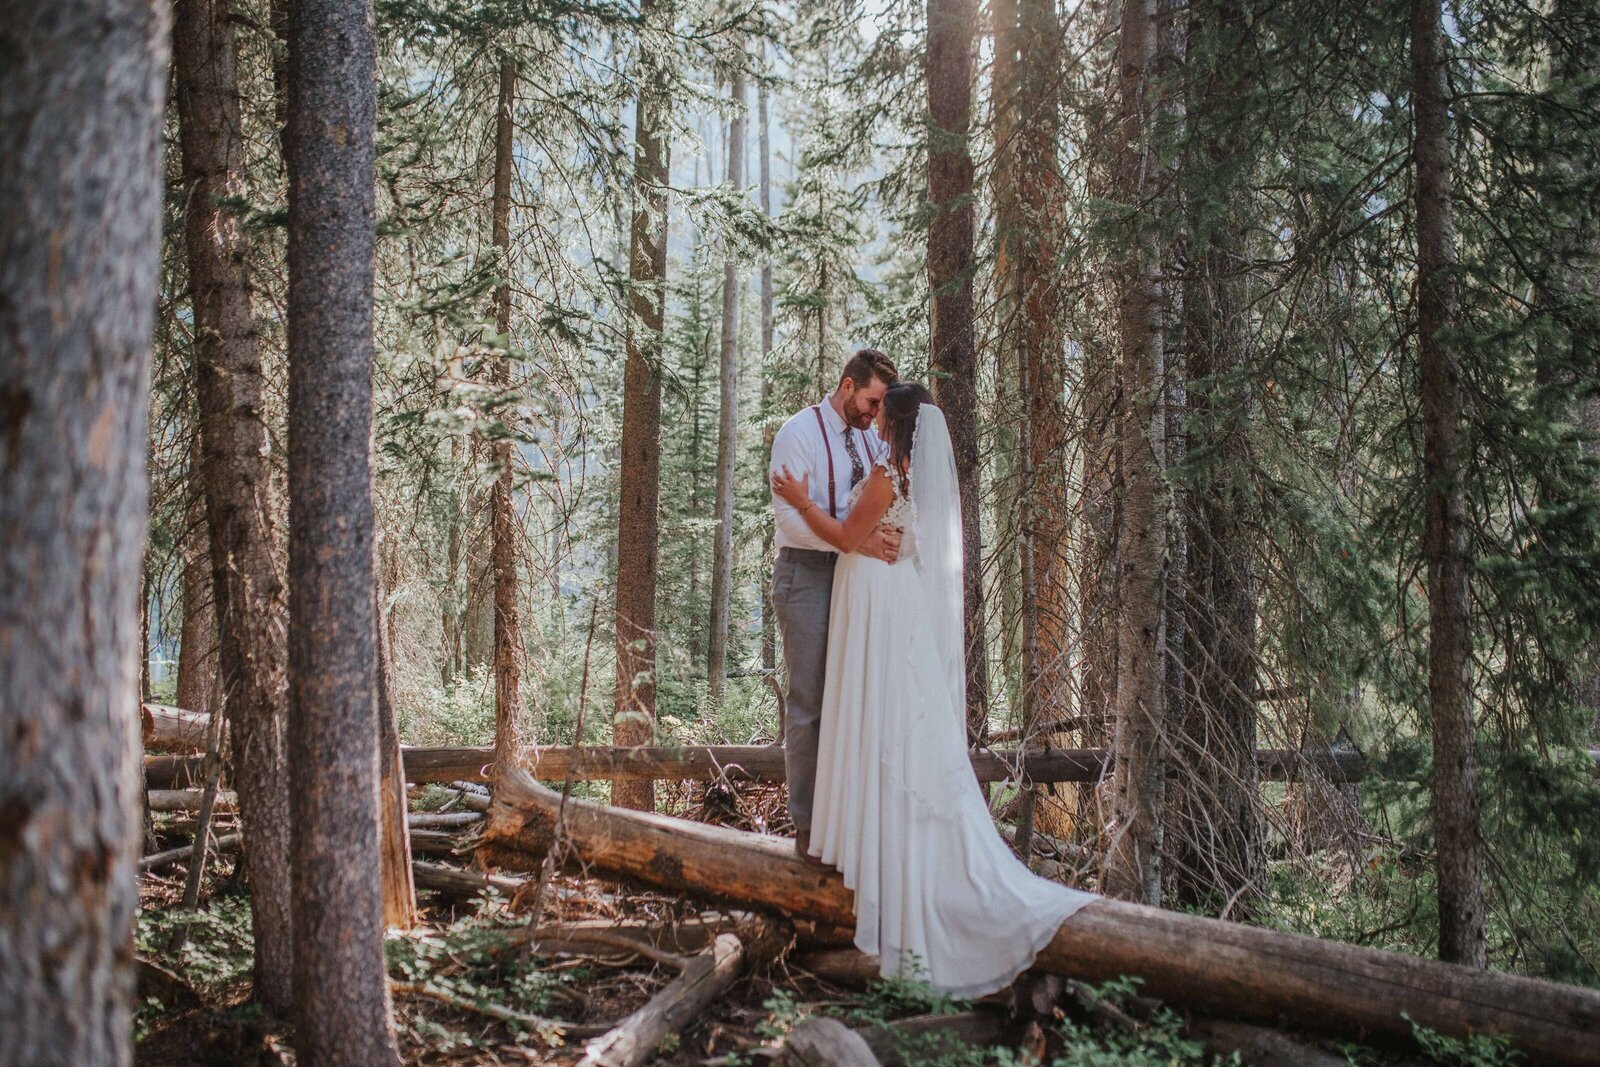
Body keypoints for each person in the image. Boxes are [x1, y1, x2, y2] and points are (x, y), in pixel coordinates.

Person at [772, 383, 1096, 997]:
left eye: (881, 419)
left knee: (876, 718)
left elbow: (845, 539)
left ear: (894, 427)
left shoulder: (887, 479)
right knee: (895, 721)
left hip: (874, 600)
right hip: (895, 602)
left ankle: (871, 847)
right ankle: (870, 836)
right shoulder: (914, 480)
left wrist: (796, 498)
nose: (874, 425)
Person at [768, 349, 904, 868]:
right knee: (810, 706)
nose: (875, 414)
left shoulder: (874, 438)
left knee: (852, 700)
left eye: (881, 406)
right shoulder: (797, 434)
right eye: (871, 402)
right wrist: (856, 543)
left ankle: (846, 821)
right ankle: (808, 829)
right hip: (806, 575)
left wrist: (867, 545)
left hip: (858, 583)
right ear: (848, 387)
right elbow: (790, 519)